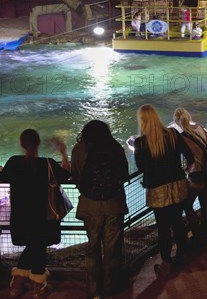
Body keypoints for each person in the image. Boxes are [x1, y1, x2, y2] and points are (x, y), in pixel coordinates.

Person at [0, 129, 70, 299]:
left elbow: (2, 177)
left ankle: (17, 285)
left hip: (21, 217)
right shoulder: (48, 164)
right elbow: (66, 175)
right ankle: (38, 286)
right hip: (44, 217)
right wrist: (64, 153)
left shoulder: (14, 162)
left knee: (34, 246)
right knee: (38, 247)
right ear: (38, 144)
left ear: (22, 144)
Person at [71, 120, 129, 298]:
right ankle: (111, 288)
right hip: (114, 205)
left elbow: (76, 175)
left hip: (90, 205)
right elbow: (124, 174)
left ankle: (95, 290)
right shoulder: (115, 146)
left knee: (93, 247)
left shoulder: (79, 149)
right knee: (112, 249)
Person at [134, 104, 194, 277]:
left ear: (142, 121)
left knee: (163, 228)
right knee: (178, 222)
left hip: (157, 190)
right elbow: (190, 157)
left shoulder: (141, 143)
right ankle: (183, 254)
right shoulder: (173, 134)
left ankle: (166, 263)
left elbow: (141, 167)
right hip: (177, 185)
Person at [171, 108, 207, 247]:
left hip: (195, 175)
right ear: (189, 117)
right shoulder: (200, 128)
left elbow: (183, 156)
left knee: (187, 205)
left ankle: (197, 233)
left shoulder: (179, 135)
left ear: (176, 121)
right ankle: (205, 235)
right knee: (205, 204)